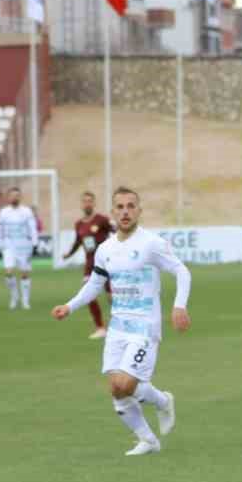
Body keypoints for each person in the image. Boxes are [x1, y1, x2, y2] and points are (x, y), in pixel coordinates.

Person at [52, 187, 191, 456]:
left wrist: (179, 306)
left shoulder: (151, 244)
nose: (125, 211)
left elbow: (181, 271)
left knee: (127, 384)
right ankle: (148, 440)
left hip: (144, 327)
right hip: (118, 328)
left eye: (130, 206)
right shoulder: (106, 249)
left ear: (139, 210)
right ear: (113, 212)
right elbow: (95, 284)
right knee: (117, 391)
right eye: (120, 207)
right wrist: (69, 306)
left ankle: (162, 401)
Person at [63, 190, 113, 338]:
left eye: (90, 201)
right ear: (81, 204)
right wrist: (69, 254)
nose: (87, 204)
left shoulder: (102, 220)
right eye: (85, 201)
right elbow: (78, 242)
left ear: (94, 203)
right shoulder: (79, 224)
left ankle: (120, 323)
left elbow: (117, 231)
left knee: (112, 297)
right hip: (90, 265)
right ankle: (100, 328)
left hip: (107, 263)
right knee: (88, 294)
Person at [0, 186, 39, 310]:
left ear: (20, 197)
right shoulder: (3, 212)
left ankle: (25, 300)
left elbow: (32, 228)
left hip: (24, 246)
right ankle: (14, 297)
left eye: (17, 195)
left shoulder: (26, 211)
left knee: (24, 274)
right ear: (8, 197)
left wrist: (35, 244)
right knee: (8, 272)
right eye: (12, 195)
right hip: (9, 247)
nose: (15, 197)